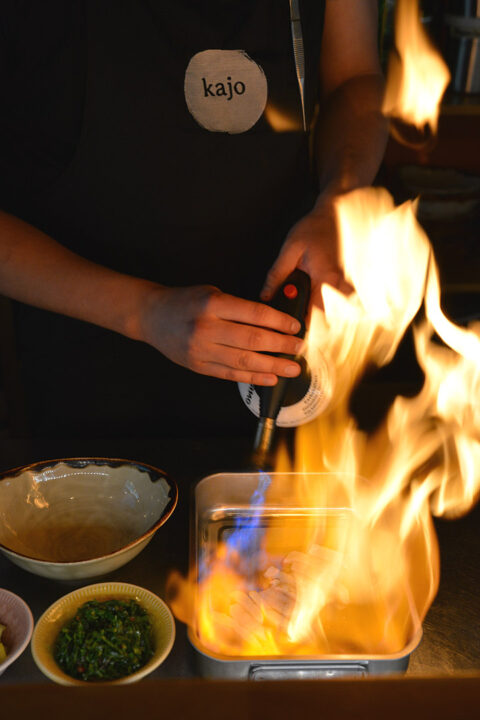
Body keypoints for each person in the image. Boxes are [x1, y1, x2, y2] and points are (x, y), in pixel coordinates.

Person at [0, 0, 387, 439]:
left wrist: (339, 199)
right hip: (86, 353)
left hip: (288, 329)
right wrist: (144, 311)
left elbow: (354, 77)